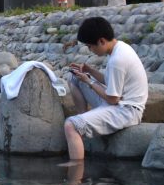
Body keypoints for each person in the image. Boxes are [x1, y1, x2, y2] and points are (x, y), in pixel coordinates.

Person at [63, 16, 148, 161]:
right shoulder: (119, 47)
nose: (90, 50)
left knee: (70, 125)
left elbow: (113, 99)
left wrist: (89, 82)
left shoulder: (117, 60)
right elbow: (110, 82)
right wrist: (89, 71)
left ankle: (76, 176)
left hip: (127, 111)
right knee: (74, 78)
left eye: (90, 46)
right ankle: (83, 124)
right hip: (119, 104)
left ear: (101, 41)